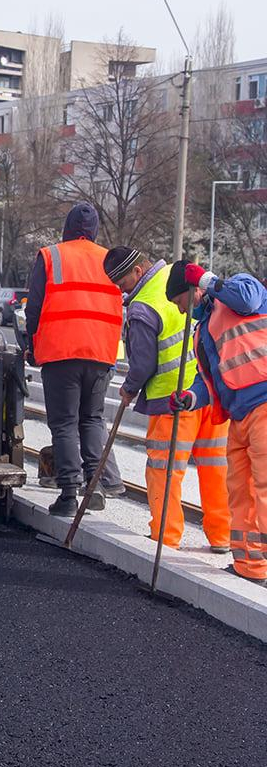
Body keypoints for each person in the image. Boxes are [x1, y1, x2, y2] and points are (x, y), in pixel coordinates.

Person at [104, 247, 230, 552]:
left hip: (173, 400)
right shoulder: (176, 275)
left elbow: (144, 362)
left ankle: (166, 534)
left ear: (136, 271)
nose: (120, 290)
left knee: (164, 470)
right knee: (216, 468)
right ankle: (223, 535)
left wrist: (129, 388)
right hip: (209, 392)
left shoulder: (143, 306)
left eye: (121, 282)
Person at [166, 261, 267, 585]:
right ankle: (249, 567)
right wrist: (191, 398)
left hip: (264, 404)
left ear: (193, 290)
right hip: (238, 417)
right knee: (240, 495)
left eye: (181, 303)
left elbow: (249, 300)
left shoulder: (239, 287)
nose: (183, 312)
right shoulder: (203, 331)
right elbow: (209, 379)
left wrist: (208, 280)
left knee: (265, 491)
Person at [25, 202, 124, 515]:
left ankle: (69, 493)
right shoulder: (110, 259)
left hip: (61, 352)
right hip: (101, 353)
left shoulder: (51, 255)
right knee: (92, 418)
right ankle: (95, 488)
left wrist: (32, 345)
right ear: (94, 231)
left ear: (66, 228)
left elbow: (34, 308)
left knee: (64, 422)